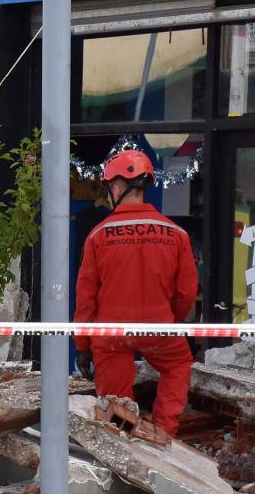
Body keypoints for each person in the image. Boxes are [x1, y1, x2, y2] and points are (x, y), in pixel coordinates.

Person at [73, 150, 199, 437]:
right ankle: (164, 433)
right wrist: (171, 320)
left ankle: (127, 438)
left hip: (111, 334)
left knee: (116, 407)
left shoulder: (99, 235)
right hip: (159, 328)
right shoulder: (176, 234)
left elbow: (86, 297)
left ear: (117, 187)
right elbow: (187, 291)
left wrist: (82, 344)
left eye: (108, 189)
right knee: (178, 365)